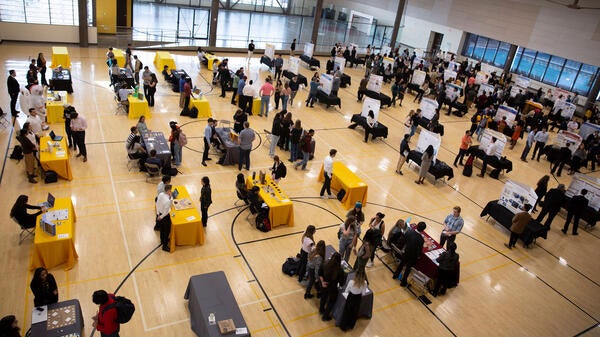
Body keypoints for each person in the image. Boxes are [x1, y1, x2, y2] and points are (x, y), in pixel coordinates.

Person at [393, 221, 426, 287]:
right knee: (408, 269)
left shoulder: (409, 231)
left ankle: (395, 275)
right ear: (423, 230)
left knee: (401, 264)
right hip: (412, 256)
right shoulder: (421, 239)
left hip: (406, 252)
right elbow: (419, 250)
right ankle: (403, 282)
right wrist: (418, 256)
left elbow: (404, 240)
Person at [319, 252, 343, 321]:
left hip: (324, 285)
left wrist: (323, 282)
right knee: (331, 302)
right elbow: (341, 283)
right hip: (332, 288)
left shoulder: (325, 263)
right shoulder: (340, 270)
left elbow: (320, 273)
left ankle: (321, 309)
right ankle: (325, 316)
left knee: (323, 297)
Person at [155, 184, 173, 251]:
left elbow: (157, 203)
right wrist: (171, 197)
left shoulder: (161, 194)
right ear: (168, 190)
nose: (171, 191)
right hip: (164, 217)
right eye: (170, 190)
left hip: (159, 213)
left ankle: (162, 240)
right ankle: (164, 246)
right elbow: (166, 211)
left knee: (162, 229)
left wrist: (158, 214)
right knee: (166, 231)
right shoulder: (167, 201)